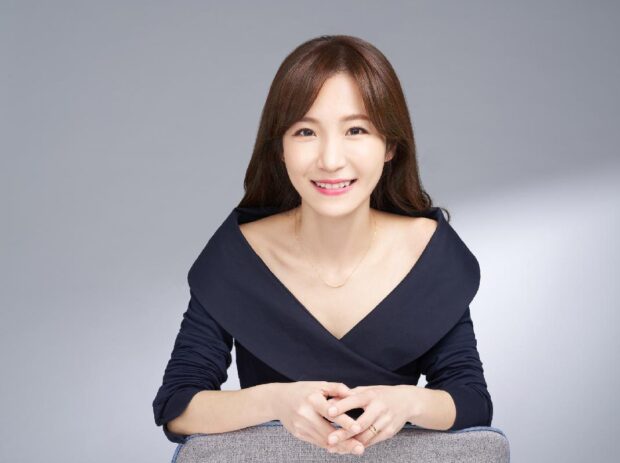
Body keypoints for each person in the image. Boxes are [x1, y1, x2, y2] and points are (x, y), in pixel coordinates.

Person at [152, 34, 493, 457]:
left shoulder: (429, 250)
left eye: (356, 130)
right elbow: (177, 406)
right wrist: (276, 402)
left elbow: (471, 401)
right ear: (279, 148)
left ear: (390, 145)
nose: (331, 160)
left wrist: (408, 403)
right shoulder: (238, 254)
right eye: (305, 131)